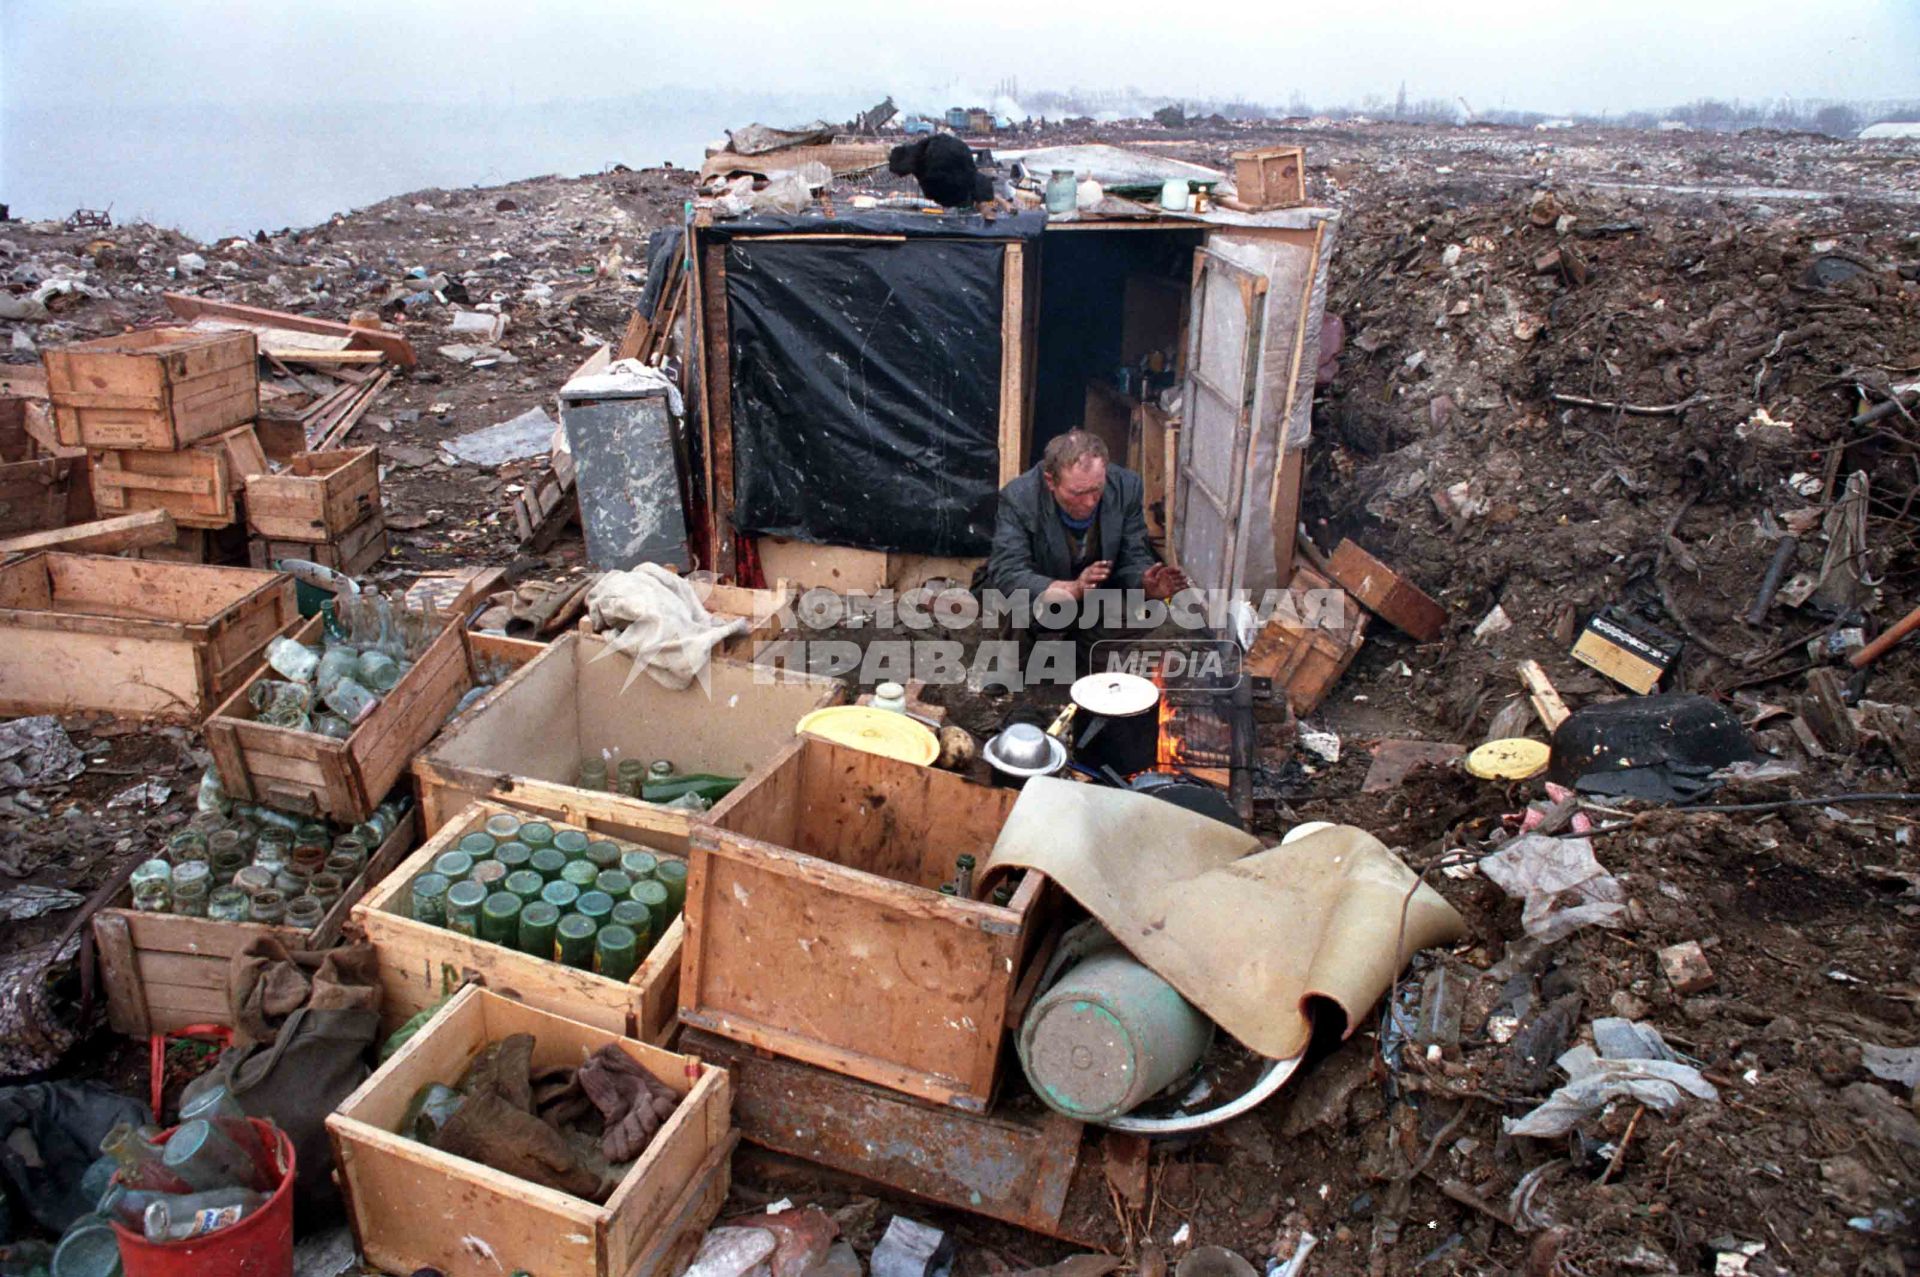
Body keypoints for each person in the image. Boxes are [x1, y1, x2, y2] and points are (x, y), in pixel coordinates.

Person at [985, 431, 1188, 674]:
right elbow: (1008, 571)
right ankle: (1016, 658)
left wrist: (1145, 583)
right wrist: (1072, 589)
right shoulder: (1019, 497)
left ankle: (1084, 656)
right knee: (1012, 599)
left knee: (1149, 610)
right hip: (1046, 593)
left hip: (1097, 595)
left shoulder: (1126, 487)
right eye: (1078, 494)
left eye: (1096, 490)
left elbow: (1133, 554)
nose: (1090, 502)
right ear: (1051, 481)